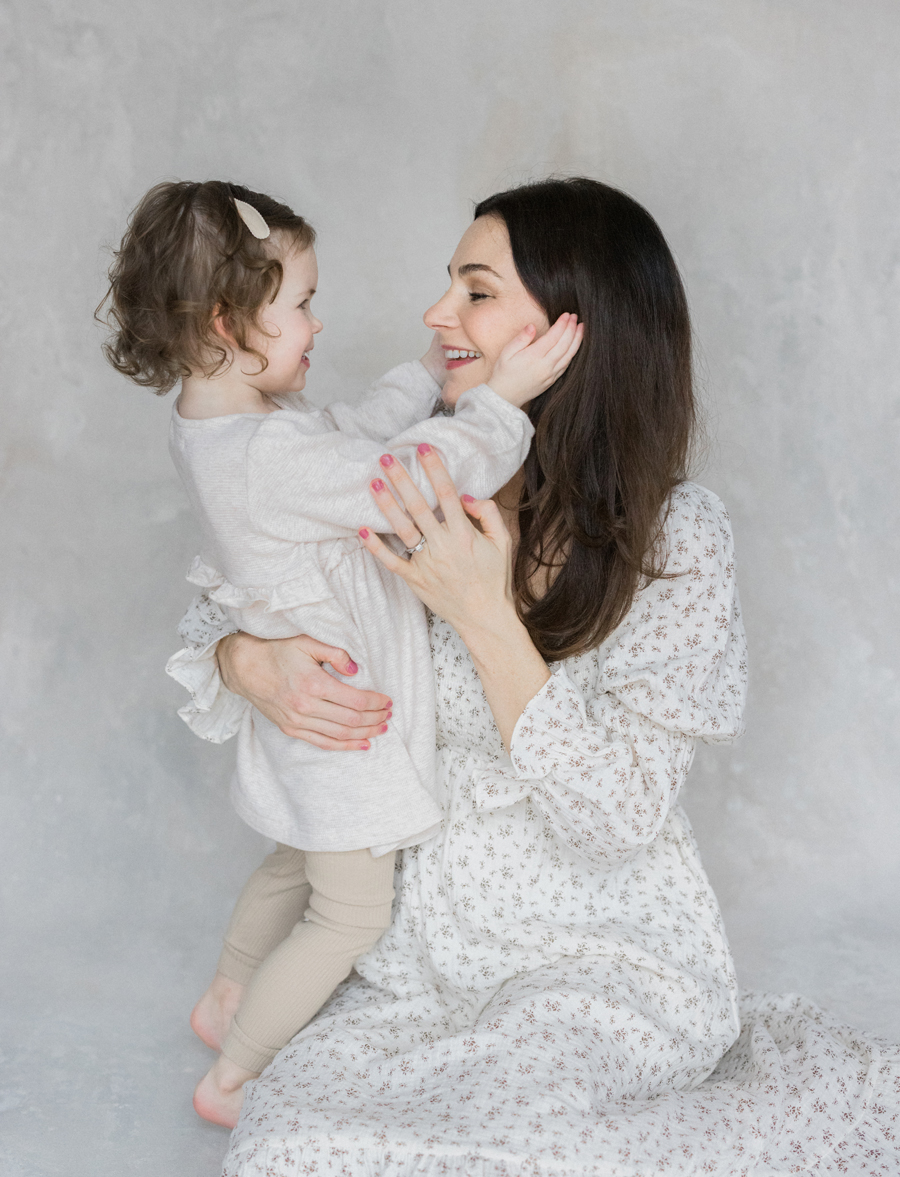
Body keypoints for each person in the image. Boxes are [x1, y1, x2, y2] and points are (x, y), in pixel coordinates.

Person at [171, 179, 899, 1176]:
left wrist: (480, 610)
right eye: (448, 287)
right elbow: (250, 564)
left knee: (538, 1136)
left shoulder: (678, 540)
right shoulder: (427, 462)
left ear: (571, 331)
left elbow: (616, 818)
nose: (435, 317)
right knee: (297, 1145)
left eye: (474, 291)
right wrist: (245, 659)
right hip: (411, 944)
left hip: (589, 948)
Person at [100, 179, 583, 1127]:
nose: (319, 324)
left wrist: (426, 369)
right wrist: (500, 399)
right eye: (302, 304)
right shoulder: (267, 460)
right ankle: (234, 1070)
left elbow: (353, 434)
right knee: (349, 913)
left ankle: (225, 992)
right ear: (229, 325)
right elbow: (420, 479)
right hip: (344, 725)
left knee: (296, 857)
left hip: (310, 724)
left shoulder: (232, 428)